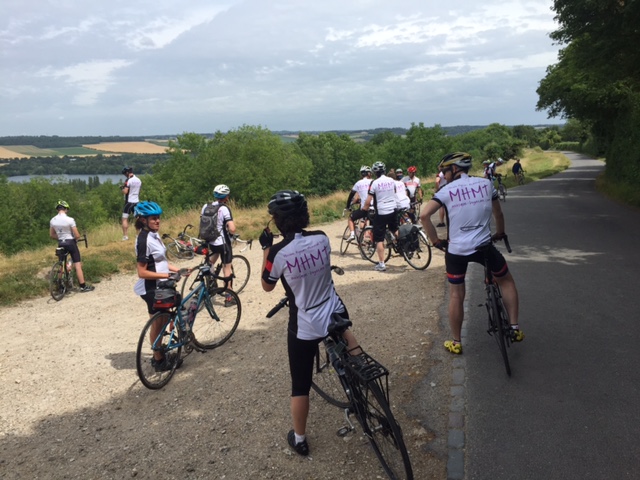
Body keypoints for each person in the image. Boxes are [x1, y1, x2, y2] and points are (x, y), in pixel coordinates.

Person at [259, 190, 360, 457]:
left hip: (305, 323)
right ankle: (362, 372)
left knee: (300, 385)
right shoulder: (322, 237)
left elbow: (267, 285)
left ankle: (300, 439)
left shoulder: (278, 252)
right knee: (346, 332)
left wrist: (266, 248)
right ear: (304, 215)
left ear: (277, 221)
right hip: (333, 309)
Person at [419, 152, 524, 354]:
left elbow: (424, 215)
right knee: (506, 281)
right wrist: (500, 232)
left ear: (454, 169)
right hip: (483, 246)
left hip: (456, 250)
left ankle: (456, 342)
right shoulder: (486, 184)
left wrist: (435, 241)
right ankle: (514, 327)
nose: (444, 175)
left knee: (456, 294)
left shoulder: (446, 190)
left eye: (445, 171)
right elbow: (498, 213)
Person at [133, 201, 189, 371]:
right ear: (143, 220)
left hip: (162, 285)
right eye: (153, 218)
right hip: (151, 288)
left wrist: (177, 269)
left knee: (163, 320)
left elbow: (160, 261)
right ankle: (158, 361)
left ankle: (160, 353)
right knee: (157, 324)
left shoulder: (154, 235)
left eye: (158, 218)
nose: (157, 221)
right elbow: (142, 272)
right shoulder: (143, 240)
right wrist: (167, 275)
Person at [201, 184, 237, 306]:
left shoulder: (206, 206)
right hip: (223, 243)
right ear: (226, 197)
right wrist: (232, 233)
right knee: (227, 268)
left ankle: (211, 281)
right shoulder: (224, 209)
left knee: (212, 259)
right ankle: (229, 297)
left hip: (210, 241)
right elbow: (232, 229)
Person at [49, 200, 95, 292]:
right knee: (77, 264)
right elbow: (77, 235)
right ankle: (83, 286)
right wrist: (75, 239)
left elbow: (52, 235)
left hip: (61, 243)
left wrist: (61, 237)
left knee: (61, 264)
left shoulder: (52, 220)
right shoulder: (70, 220)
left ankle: (60, 287)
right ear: (65, 209)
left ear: (57, 209)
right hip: (70, 242)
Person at [363, 161, 397, 272]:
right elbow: (395, 192)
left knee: (379, 239)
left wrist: (364, 209)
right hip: (393, 209)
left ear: (374, 172)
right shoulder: (391, 180)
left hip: (382, 212)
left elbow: (368, 200)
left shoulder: (374, 183)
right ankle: (403, 247)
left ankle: (381, 264)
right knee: (395, 229)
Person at [344, 165, 372, 241]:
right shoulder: (373, 182)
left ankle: (352, 234)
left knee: (351, 218)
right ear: (369, 173)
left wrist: (348, 206)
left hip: (364, 208)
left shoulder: (358, 183)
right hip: (375, 208)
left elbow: (351, 195)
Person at [121, 166, 142, 241]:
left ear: (127, 173)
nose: (125, 175)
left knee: (124, 219)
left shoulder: (128, 180)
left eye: (125, 174)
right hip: (136, 201)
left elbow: (125, 192)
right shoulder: (139, 180)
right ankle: (138, 235)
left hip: (129, 202)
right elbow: (139, 191)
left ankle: (125, 236)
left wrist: (122, 189)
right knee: (138, 218)